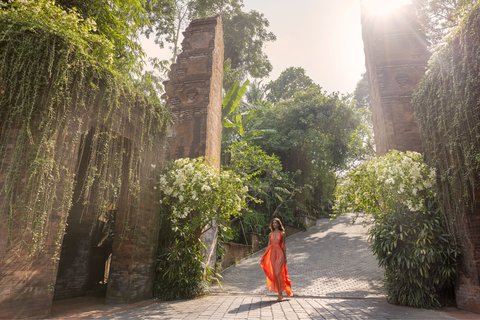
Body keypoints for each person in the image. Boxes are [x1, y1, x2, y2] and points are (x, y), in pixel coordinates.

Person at [260, 217, 293, 301]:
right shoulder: (270, 234)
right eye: (273, 223)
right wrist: (264, 256)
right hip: (272, 255)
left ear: (279, 224)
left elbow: (284, 246)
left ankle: (281, 293)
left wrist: (285, 257)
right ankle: (280, 294)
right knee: (275, 274)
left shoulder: (282, 233)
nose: (274, 224)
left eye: (276, 223)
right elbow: (268, 246)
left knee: (278, 273)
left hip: (280, 254)